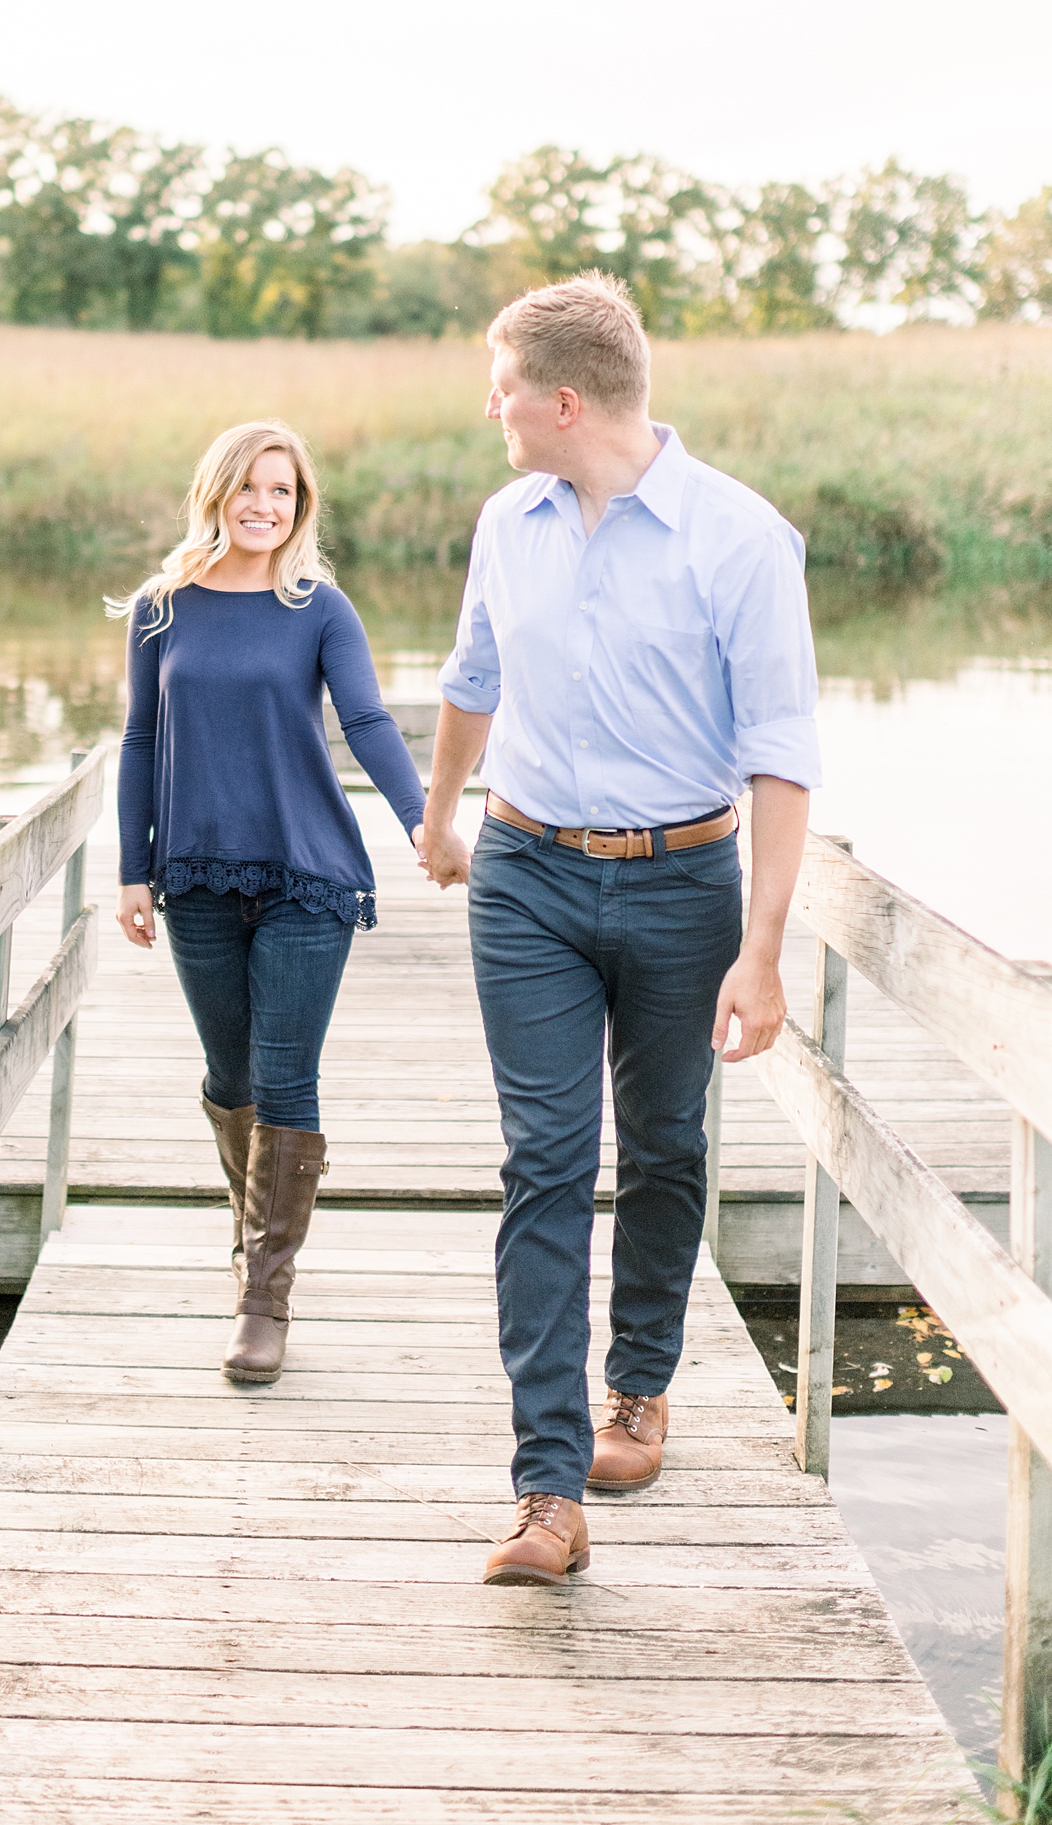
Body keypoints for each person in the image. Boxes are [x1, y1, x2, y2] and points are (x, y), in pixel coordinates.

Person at [418, 274, 820, 1587]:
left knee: (662, 1144)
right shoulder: (505, 522)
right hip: (528, 872)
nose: (491, 404)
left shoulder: (741, 540)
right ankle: (546, 1490)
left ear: (566, 399)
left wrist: (761, 950)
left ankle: (637, 1386)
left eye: (503, 383)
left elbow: (779, 759)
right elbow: (473, 680)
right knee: (545, 1159)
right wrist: (439, 818)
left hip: (682, 882)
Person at [113, 419, 426, 1385]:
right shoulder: (163, 610)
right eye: (248, 487)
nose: (264, 505)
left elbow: (366, 719)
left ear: (301, 506)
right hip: (197, 875)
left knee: (286, 1080)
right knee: (229, 1077)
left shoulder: (318, 608)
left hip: (307, 874)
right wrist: (133, 868)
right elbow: (137, 742)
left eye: (282, 491)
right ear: (215, 494)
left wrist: (425, 822)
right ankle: (255, 1244)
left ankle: (263, 1301)